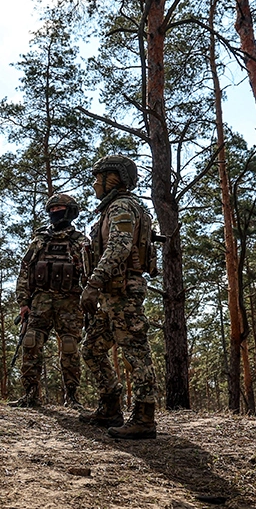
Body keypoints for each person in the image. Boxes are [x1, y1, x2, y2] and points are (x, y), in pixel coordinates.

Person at [78, 154, 158, 439]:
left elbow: (119, 247)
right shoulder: (112, 208)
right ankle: (110, 406)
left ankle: (145, 417)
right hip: (110, 295)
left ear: (114, 178)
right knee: (92, 349)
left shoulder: (122, 206)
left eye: (99, 178)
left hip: (123, 291)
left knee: (135, 351)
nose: (95, 184)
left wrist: (93, 283)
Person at [10, 193, 89, 409]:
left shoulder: (80, 241)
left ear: (70, 211)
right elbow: (25, 271)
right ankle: (30, 394)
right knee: (31, 342)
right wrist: (23, 301)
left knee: (70, 348)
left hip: (70, 303)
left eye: (60, 208)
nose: (55, 213)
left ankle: (71, 397)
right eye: (52, 210)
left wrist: (90, 301)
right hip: (40, 301)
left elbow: (89, 274)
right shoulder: (39, 240)